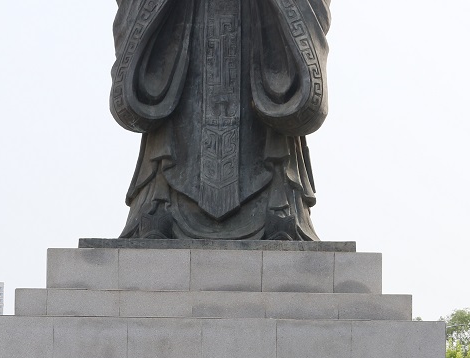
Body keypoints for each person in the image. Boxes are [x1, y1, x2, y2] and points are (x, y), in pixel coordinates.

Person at [110, 0, 331, 241]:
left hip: (258, 28)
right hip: (183, 28)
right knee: (172, 92)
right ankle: (158, 205)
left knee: (273, 94)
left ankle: (279, 207)